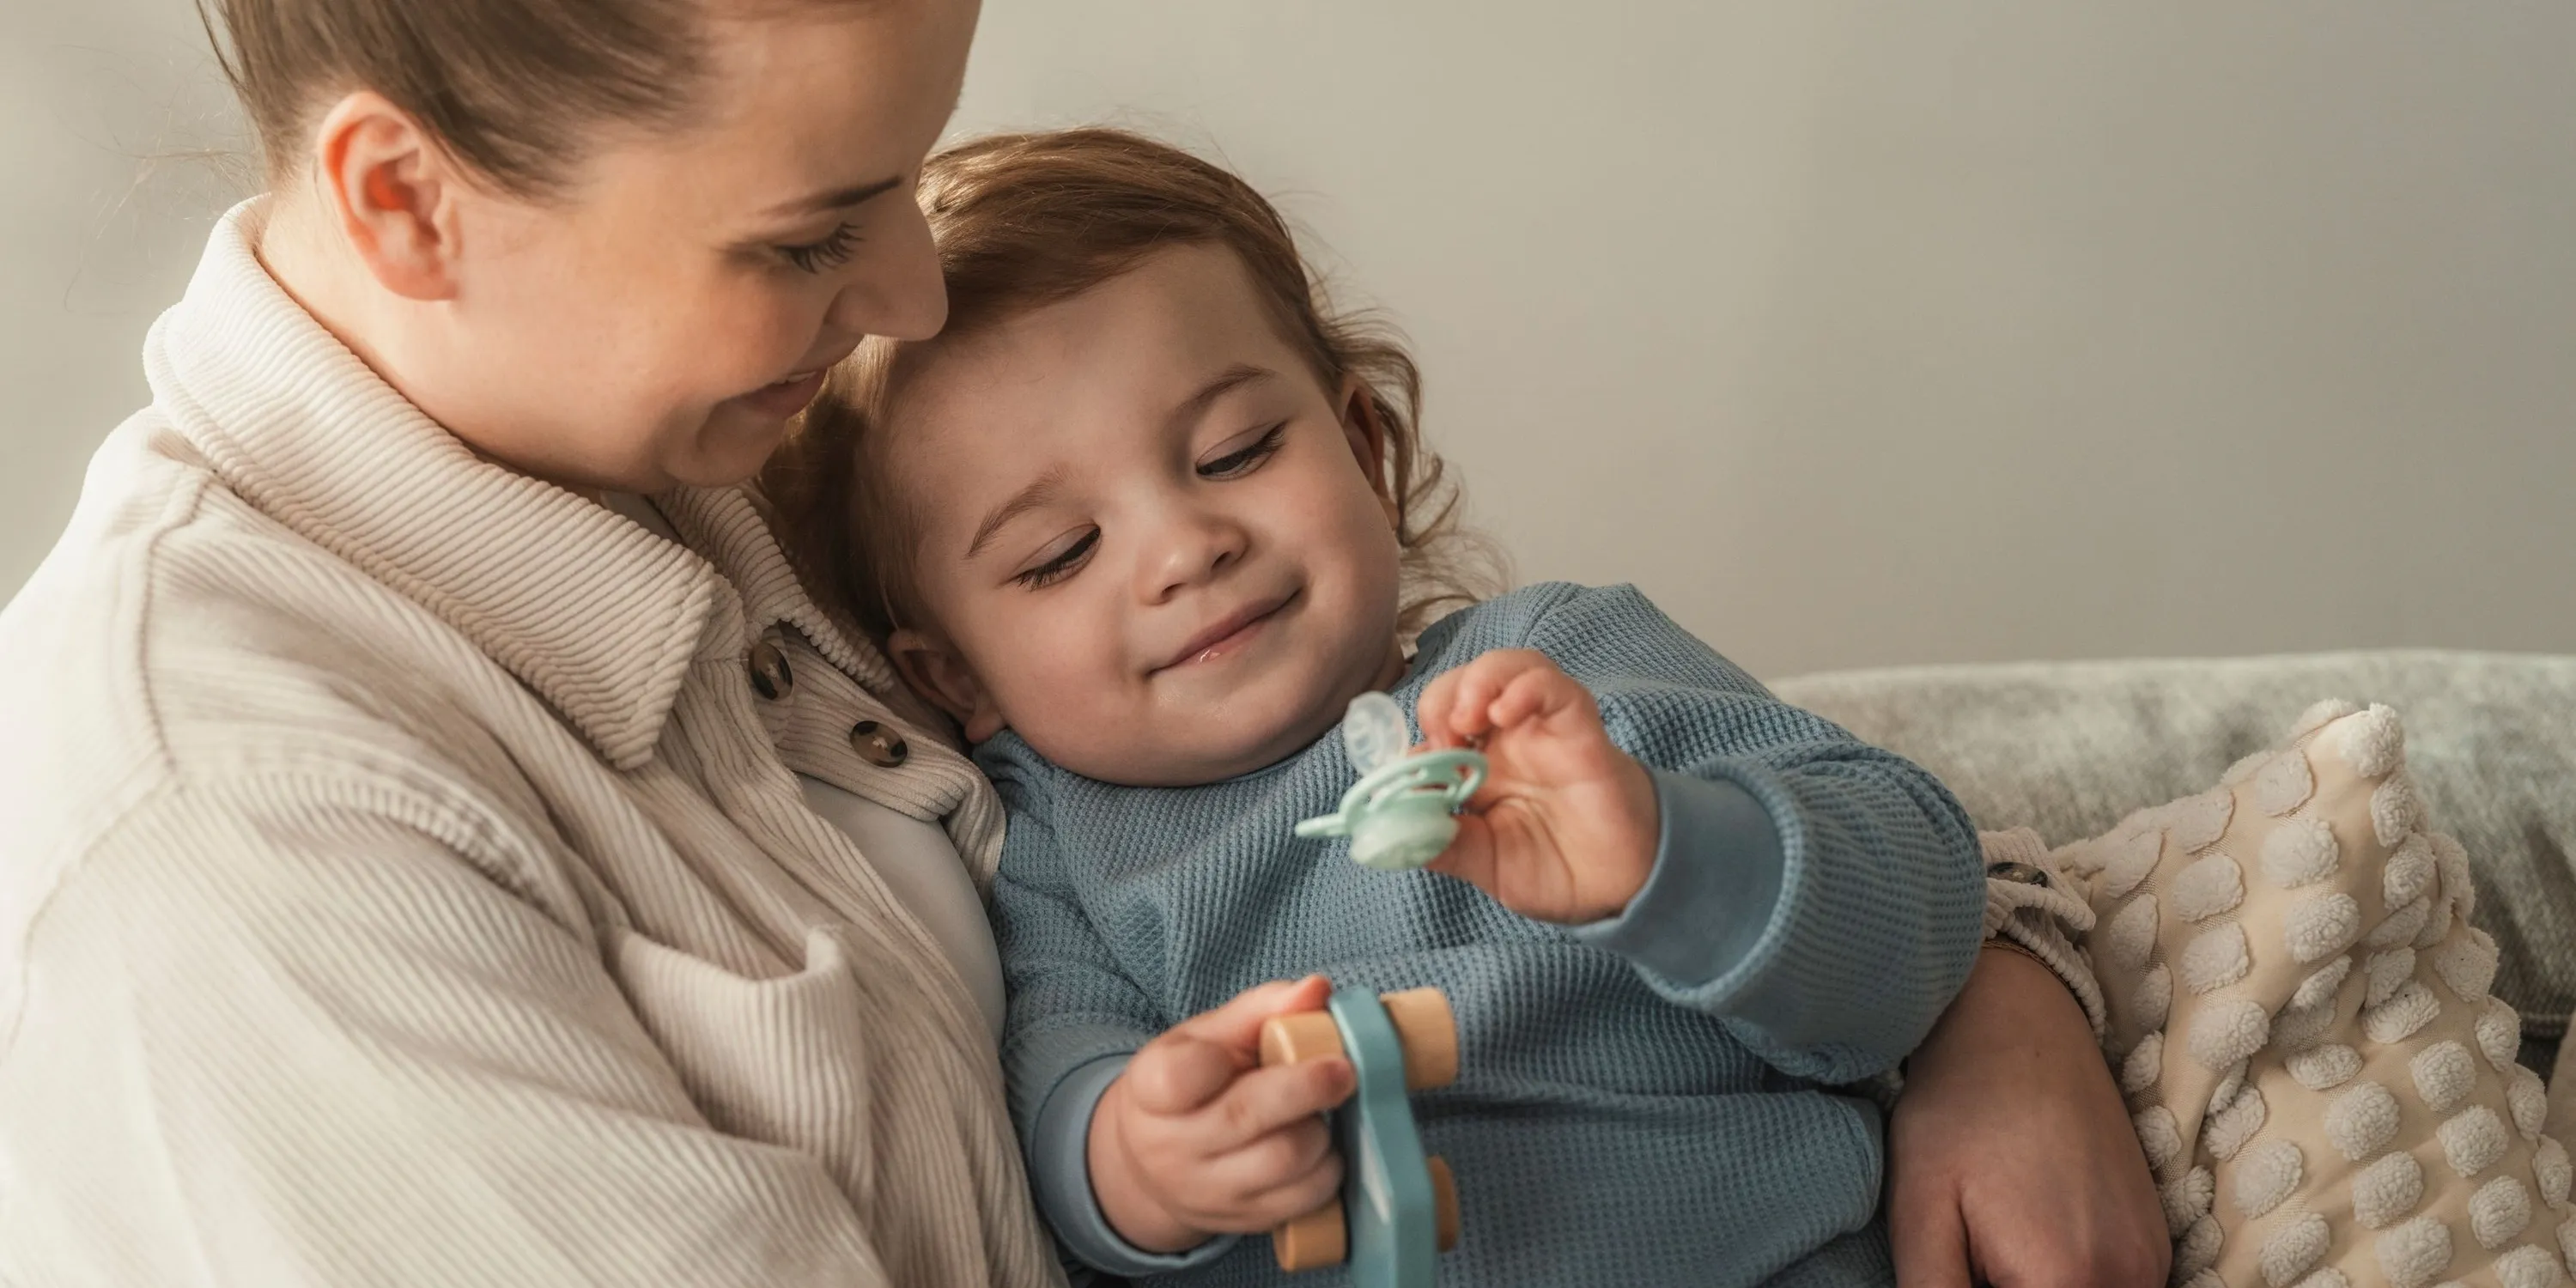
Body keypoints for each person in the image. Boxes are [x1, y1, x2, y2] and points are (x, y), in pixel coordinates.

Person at [0, 3, 2153, 1285]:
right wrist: (1139, 1165)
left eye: (894, 188)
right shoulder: (243, 830)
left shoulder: (694, 463)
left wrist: (1992, 992)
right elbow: (1060, 1097)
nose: (908, 302)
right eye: (803, 234)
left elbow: (1856, 831)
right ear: (405, 201)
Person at [769, 128, 2171, 1285]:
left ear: (1364, 447)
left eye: (1236, 450)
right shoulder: (1059, 854)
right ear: (952, 677)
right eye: (1059, 554)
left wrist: (1673, 856)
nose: (1183, 549)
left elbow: (1919, 906)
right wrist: (1137, 1166)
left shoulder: (1563, 675)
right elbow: (1050, 1091)